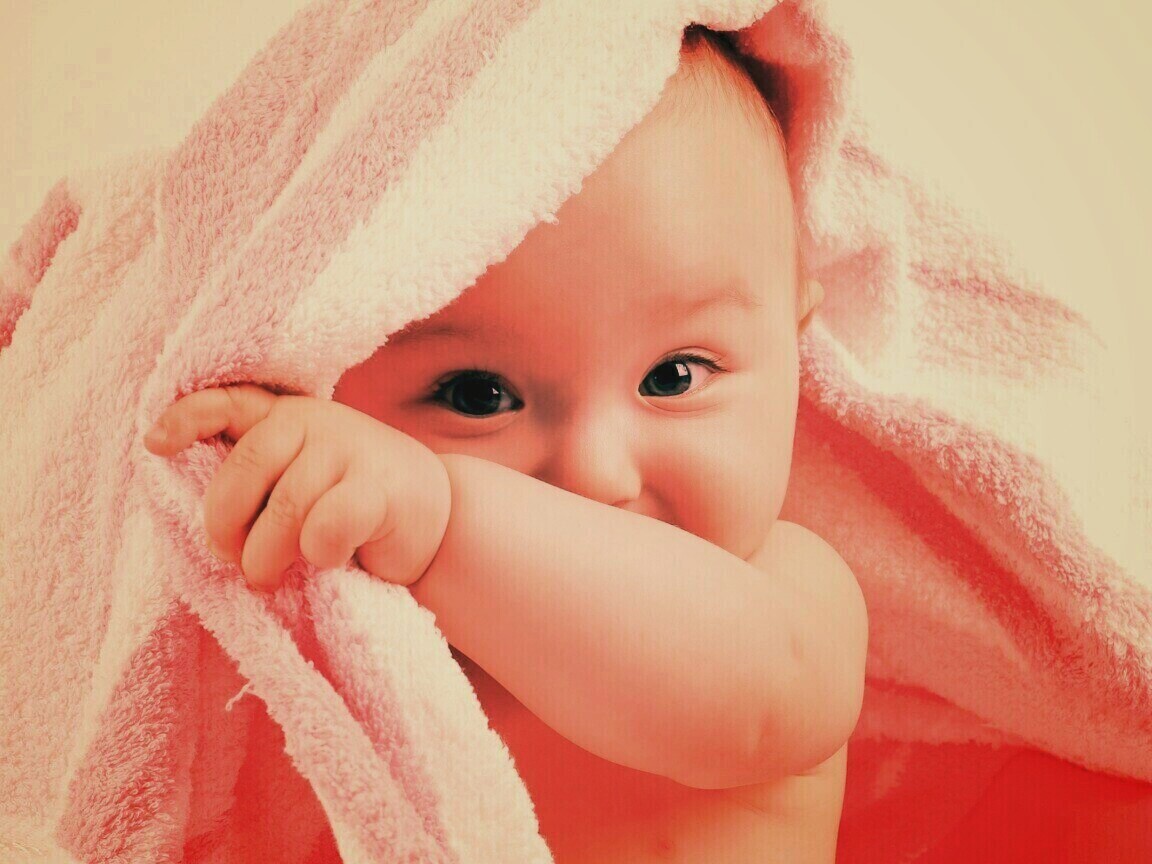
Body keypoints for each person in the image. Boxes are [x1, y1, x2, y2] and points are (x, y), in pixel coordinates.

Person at [143, 25, 868, 864]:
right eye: (478, 395)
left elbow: (752, 712)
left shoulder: (792, 595)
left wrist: (441, 516)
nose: (593, 473)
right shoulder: (325, 632)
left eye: (674, 377)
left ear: (794, 347)